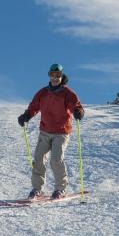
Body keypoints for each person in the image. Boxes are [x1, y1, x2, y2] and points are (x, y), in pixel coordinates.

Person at [17, 63, 84, 199]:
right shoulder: (43, 93)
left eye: (58, 76)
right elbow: (34, 106)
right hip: (45, 131)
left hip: (61, 132)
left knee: (56, 160)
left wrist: (78, 111)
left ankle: (60, 189)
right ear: (49, 76)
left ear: (61, 76)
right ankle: (37, 189)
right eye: (53, 75)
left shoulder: (67, 92)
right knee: (39, 159)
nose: (55, 78)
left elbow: (76, 105)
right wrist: (26, 115)